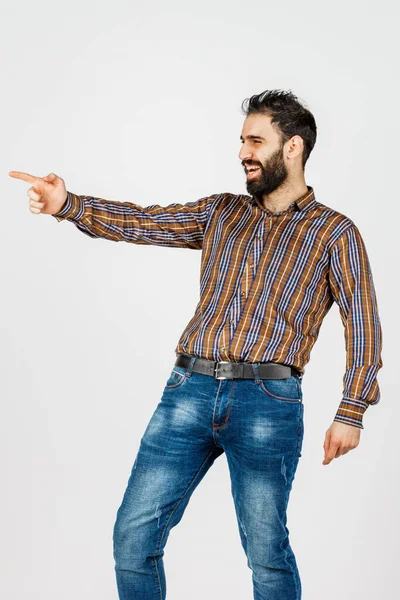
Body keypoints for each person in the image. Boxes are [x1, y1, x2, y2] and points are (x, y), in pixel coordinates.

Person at [9, 88, 383, 600]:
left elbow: (362, 324)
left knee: (266, 553)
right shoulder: (221, 213)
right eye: (241, 140)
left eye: (256, 140)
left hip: (268, 404)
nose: (243, 152)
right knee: (133, 537)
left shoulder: (334, 232)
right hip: (187, 391)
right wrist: (68, 205)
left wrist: (351, 410)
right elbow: (144, 222)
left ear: (292, 147)